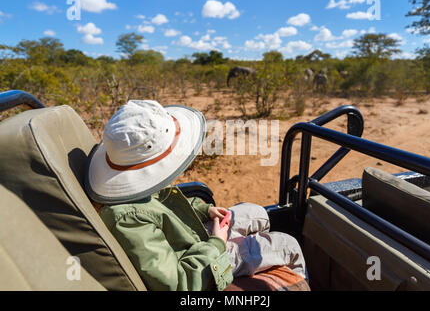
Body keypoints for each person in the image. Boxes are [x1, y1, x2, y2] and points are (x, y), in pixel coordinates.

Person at [85, 100, 307, 291]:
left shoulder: (132, 184)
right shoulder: (127, 219)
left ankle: (260, 266)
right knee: (288, 245)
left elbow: (164, 203)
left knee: (257, 213)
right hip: (198, 262)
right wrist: (218, 243)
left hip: (190, 240)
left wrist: (204, 210)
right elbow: (178, 283)